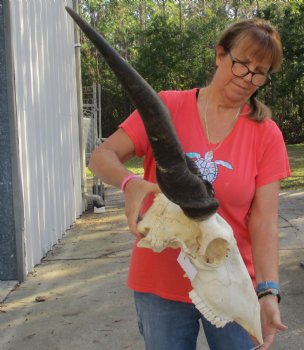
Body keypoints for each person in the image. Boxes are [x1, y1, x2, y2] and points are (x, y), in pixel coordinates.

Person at [88, 18, 290, 350]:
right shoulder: (168, 107)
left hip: (232, 284)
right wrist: (129, 183)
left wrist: (268, 290)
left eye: (260, 72)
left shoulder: (266, 134)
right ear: (220, 55)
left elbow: (264, 220)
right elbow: (101, 156)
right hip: (160, 285)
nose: (248, 79)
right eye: (242, 64)